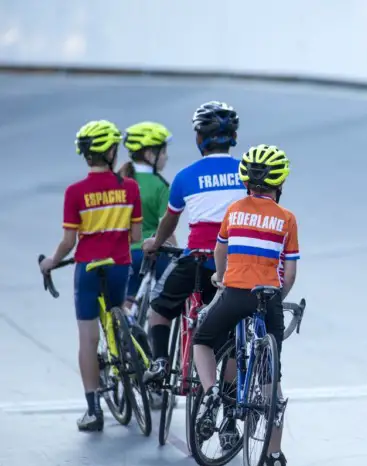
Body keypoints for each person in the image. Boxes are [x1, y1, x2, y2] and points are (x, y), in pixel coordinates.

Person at [192, 144, 299, 466]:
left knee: (202, 340)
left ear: (246, 181)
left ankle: (211, 393)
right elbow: (290, 272)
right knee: (272, 379)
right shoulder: (287, 219)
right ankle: (274, 455)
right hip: (267, 298)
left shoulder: (234, 210)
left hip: (235, 292)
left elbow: (219, 250)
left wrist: (221, 278)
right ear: (279, 184)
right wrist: (279, 297)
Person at [39, 120, 143, 431]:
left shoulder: (75, 192)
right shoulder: (131, 187)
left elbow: (68, 242)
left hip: (87, 268)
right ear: (112, 151)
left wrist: (50, 263)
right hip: (119, 265)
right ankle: (127, 348)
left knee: (87, 338)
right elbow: (135, 233)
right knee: (117, 313)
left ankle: (93, 410)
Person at [141, 101, 246, 383]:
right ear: (233, 138)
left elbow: (170, 221)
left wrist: (155, 241)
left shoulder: (185, 177)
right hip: (235, 264)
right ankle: (226, 392)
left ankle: (161, 362)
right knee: (235, 330)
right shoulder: (246, 173)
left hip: (197, 261)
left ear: (199, 138)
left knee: (158, 311)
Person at [118, 121, 178, 317]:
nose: (166, 156)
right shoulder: (160, 186)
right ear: (150, 154)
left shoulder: (119, 180)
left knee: (126, 298)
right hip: (148, 252)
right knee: (168, 297)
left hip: (120, 254)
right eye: (163, 152)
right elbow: (167, 226)